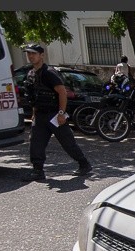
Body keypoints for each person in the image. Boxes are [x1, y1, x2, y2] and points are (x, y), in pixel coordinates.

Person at [19, 43, 92, 182]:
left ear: (41, 55)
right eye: (28, 53)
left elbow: (62, 93)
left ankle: (84, 164)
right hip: (40, 114)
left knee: (68, 142)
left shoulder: (49, 73)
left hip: (54, 114)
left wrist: (61, 113)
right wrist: (34, 113)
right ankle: (38, 170)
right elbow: (35, 96)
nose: (30, 56)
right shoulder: (31, 74)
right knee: (36, 142)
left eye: (33, 53)